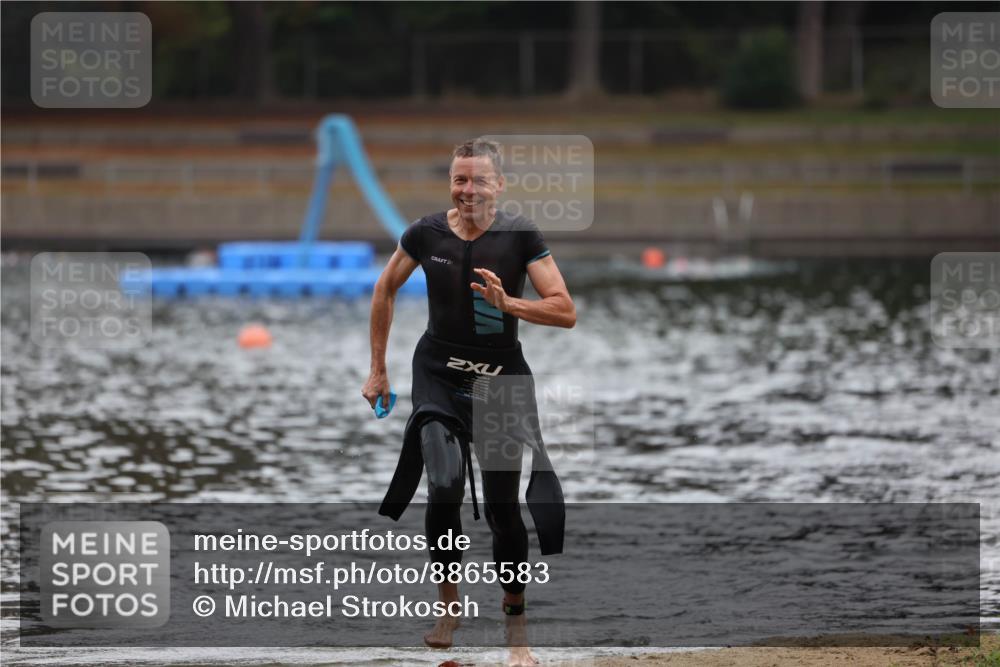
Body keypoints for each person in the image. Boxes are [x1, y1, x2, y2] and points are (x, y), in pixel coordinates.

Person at [362, 138, 576, 667]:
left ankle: (516, 631)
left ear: (499, 185)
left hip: (501, 380)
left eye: (479, 180)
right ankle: (450, 607)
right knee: (443, 484)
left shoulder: (521, 236)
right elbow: (385, 288)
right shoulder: (425, 233)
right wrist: (378, 368)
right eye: (460, 179)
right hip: (438, 373)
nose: (468, 190)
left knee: (505, 513)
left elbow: (565, 310)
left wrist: (510, 304)